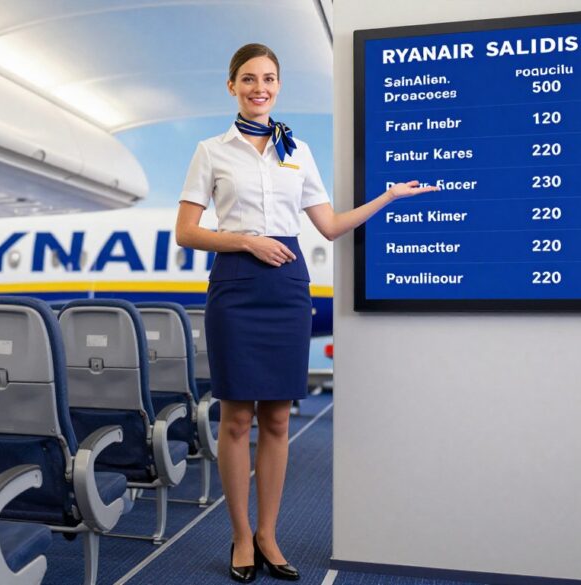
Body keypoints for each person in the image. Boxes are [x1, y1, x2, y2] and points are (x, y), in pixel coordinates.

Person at [174, 43, 437, 582]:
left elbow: (330, 225)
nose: (260, 88)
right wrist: (245, 240)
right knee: (236, 419)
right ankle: (240, 536)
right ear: (232, 86)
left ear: (278, 85)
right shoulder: (211, 151)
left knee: (276, 418)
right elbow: (186, 231)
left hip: (287, 286)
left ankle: (268, 535)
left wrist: (387, 198)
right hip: (236, 285)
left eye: (269, 78)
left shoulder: (297, 150)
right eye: (249, 78)